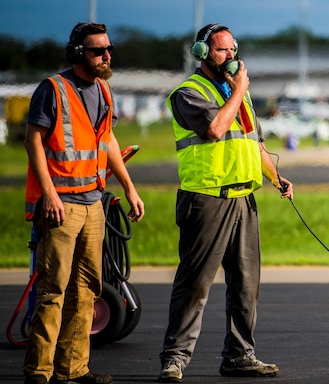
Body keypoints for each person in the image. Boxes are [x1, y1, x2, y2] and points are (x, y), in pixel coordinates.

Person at [159, 23, 293, 383]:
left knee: (247, 283)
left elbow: (253, 142)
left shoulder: (240, 95)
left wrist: (275, 177)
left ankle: (240, 355)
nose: (231, 57)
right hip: (206, 199)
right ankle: (174, 359)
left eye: (234, 50)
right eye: (222, 50)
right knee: (195, 284)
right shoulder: (188, 93)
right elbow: (216, 129)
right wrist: (239, 92)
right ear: (203, 54)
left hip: (243, 199)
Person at [23, 22, 146, 384]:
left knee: (87, 290)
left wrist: (129, 187)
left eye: (108, 49)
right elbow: (33, 141)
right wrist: (48, 193)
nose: (106, 56)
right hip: (61, 205)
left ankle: (73, 368)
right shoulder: (53, 89)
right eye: (98, 51)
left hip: (93, 203)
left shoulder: (104, 91)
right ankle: (40, 372)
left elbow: (107, 141)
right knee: (53, 290)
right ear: (79, 54)